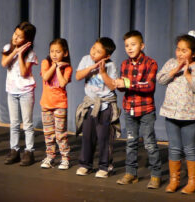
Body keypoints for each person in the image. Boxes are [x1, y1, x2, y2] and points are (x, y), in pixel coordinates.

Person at [156, 30, 195, 194]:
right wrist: (175, 70)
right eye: (178, 49)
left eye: (184, 50)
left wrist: (188, 75)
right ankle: (174, 180)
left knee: (190, 148)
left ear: (194, 53)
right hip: (171, 114)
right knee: (174, 148)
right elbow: (160, 79)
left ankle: (193, 182)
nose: (179, 53)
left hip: (191, 115)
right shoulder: (171, 63)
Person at [114, 30, 162, 189]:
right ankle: (131, 173)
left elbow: (149, 86)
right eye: (127, 45)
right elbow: (124, 88)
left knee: (149, 143)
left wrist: (128, 84)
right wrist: (119, 84)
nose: (129, 48)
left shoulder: (151, 63)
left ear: (142, 45)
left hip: (146, 110)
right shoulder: (124, 64)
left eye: (133, 44)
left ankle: (156, 175)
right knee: (131, 142)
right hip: (129, 109)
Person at [75, 37, 120, 178]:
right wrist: (90, 68)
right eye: (93, 48)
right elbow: (77, 76)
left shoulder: (111, 65)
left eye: (98, 51)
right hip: (90, 104)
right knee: (88, 136)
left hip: (105, 105)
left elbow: (113, 86)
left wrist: (103, 73)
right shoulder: (86, 59)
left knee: (104, 137)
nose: (93, 52)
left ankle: (105, 166)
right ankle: (85, 164)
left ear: (107, 56)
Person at [1, 22, 38, 166]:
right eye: (15, 34)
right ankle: (14, 150)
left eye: (19, 37)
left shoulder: (31, 54)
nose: (15, 38)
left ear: (27, 40)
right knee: (14, 123)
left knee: (27, 124)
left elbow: (24, 73)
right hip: (11, 91)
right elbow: (4, 63)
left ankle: (29, 151)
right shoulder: (7, 48)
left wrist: (21, 54)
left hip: (26, 91)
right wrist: (15, 52)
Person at [39, 38, 72, 170]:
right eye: (52, 51)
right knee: (48, 133)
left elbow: (63, 83)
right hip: (46, 104)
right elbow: (46, 77)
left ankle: (65, 158)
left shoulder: (67, 67)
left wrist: (59, 68)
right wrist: (54, 65)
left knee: (60, 134)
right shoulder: (45, 62)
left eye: (57, 51)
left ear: (65, 53)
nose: (54, 54)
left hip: (60, 105)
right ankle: (50, 156)